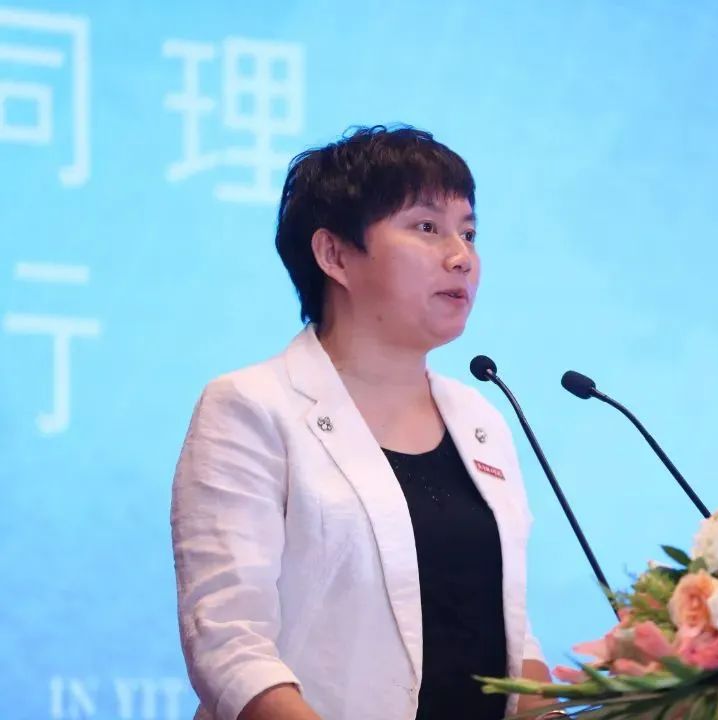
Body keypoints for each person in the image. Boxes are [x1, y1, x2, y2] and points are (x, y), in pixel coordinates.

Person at [171, 125, 564, 720]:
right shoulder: (251, 408)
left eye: (468, 232)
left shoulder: (480, 419)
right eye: (426, 227)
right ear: (334, 255)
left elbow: (511, 635)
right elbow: (231, 646)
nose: (461, 256)